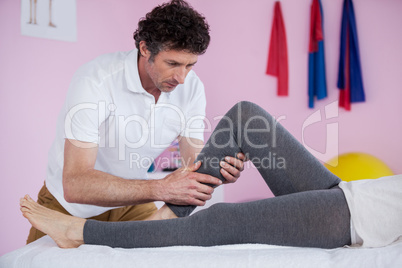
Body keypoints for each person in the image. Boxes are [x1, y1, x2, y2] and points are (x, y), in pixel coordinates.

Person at [21, 101, 402, 249]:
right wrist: (212, 175)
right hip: (359, 192)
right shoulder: (102, 83)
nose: (183, 74)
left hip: (367, 217)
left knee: (220, 221)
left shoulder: (187, 91)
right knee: (246, 118)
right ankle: (168, 216)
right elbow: (193, 159)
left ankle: (77, 231)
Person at [26, 0, 246, 244]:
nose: (182, 78)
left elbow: (192, 164)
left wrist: (218, 171)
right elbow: (75, 184)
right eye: (172, 64)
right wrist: (161, 189)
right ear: (145, 49)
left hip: (131, 204)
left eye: (190, 65)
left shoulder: (192, 88)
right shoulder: (96, 81)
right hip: (68, 206)